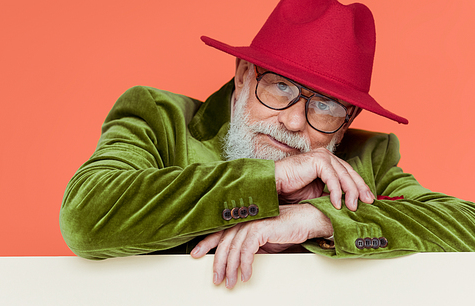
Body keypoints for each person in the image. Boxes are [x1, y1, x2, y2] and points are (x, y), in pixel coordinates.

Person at [60, 0, 475, 289]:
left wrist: (322, 218)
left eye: (326, 106)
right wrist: (269, 181)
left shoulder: (367, 160)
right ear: (243, 75)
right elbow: (84, 218)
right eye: (279, 86)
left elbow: (465, 225)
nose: (293, 121)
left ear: (347, 123)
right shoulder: (159, 119)